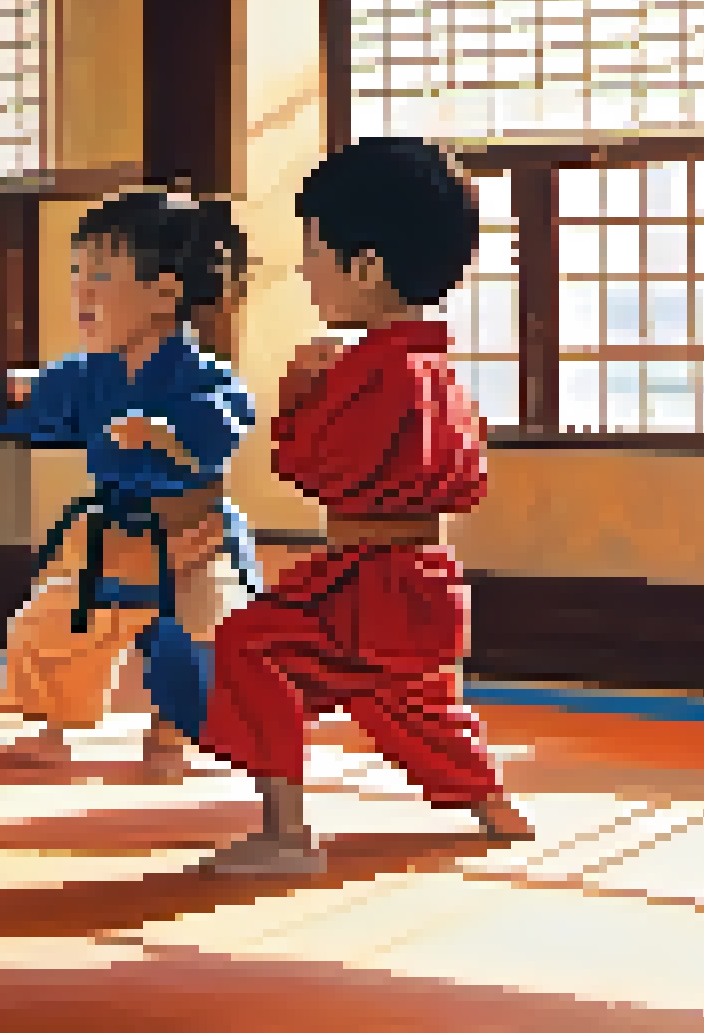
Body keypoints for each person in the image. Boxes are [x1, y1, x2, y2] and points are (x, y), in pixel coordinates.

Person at [199, 137, 534, 874]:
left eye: (313, 251)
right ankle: (492, 803)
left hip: (369, 581)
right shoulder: (433, 366)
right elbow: (466, 479)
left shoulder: (381, 370)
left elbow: (315, 470)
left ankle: (286, 837)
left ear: (366, 266)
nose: (305, 270)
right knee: (413, 703)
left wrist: (300, 394)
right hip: (422, 574)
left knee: (251, 651)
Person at [0, 191, 263, 783]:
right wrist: (18, 401)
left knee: (196, 633)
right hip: (112, 528)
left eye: (101, 276)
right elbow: (45, 414)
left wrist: (166, 434)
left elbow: (226, 425)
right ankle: (53, 730)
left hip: (194, 532)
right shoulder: (86, 373)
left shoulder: (203, 376)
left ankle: (170, 740)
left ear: (165, 292)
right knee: (56, 624)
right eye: (78, 274)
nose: (82, 294)